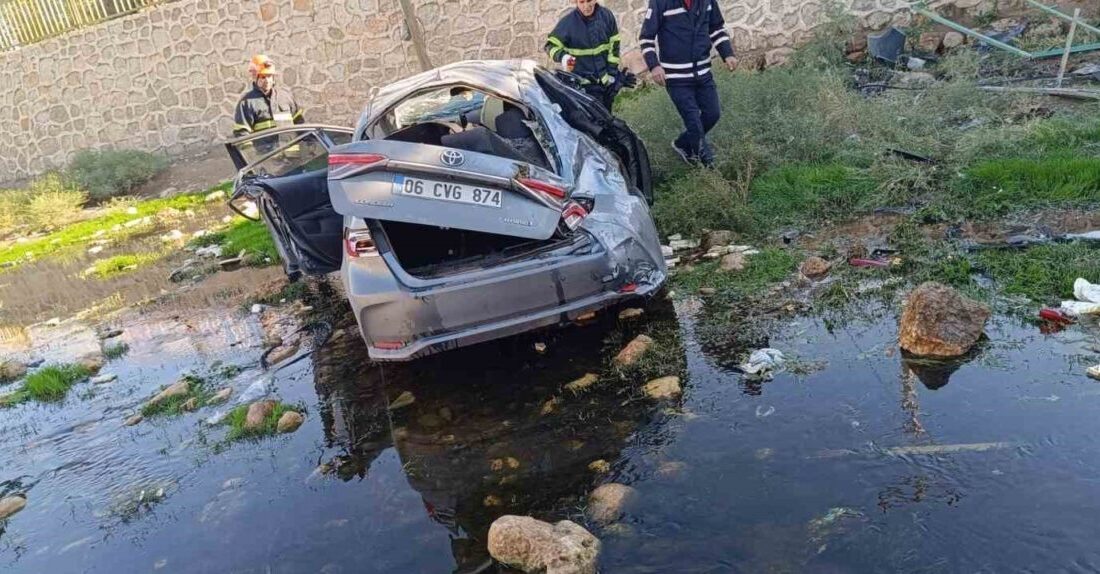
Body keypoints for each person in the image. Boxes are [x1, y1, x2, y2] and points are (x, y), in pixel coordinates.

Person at [639, 0, 738, 167]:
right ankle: (708, 167)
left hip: (703, 73)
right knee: (694, 123)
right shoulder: (660, 3)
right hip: (676, 78)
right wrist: (654, 65)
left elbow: (716, 28)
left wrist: (727, 53)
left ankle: (682, 144)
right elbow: (646, 37)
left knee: (713, 114)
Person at [545, 0, 633, 110]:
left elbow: (614, 46)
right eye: (581, 2)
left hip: (605, 82)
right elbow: (550, 46)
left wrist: (612, 74)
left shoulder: (607, 16)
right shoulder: (568, 23)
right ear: (576, 2)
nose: (586, 6)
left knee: (607, 118)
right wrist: (563, 56)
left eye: (589, 0)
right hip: (584, 86)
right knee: (596, 123)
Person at [232, 55, 304, 138]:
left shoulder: (285, 97)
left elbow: (300, 125)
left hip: (290, 150)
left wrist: (310, 145)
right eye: (263, 77)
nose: (267, 80)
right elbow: (242, 134)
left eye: (269, 76)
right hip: (268, 151)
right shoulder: (246, 103)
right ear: (255, 77)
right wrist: (249, 151)